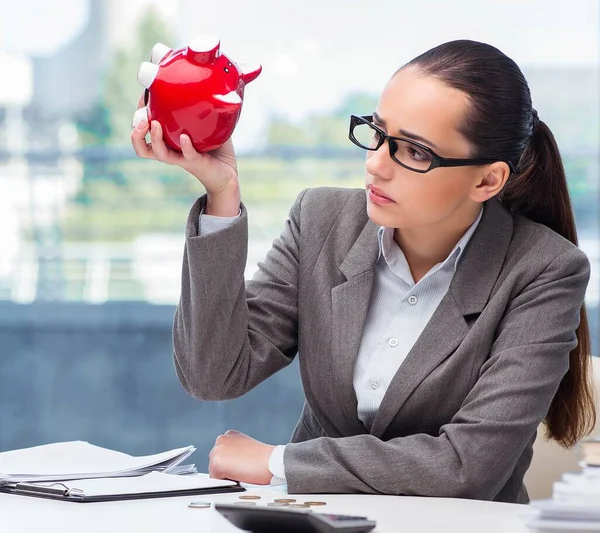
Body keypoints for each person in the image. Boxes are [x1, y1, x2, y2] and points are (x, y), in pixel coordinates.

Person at [131, 39, 595, 503]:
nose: (374, 165)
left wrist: (279, 462)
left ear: (487, 179)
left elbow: (467, 467)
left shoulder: (545, 271)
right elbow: (214, 374)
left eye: (414, 152)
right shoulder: (322, 220)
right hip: (313, 518)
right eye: (377, 132)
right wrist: (222, 193)